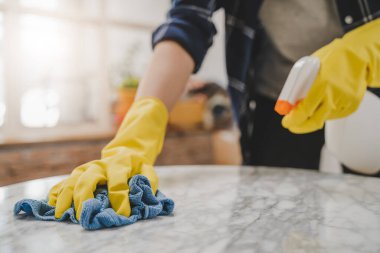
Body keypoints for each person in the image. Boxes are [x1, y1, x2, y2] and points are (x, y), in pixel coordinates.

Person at [47, 0, 380, 220]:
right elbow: (187, 23)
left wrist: (366, 49)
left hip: (371, 82)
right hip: (277, 96)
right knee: (273, 214)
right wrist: (135, 132)